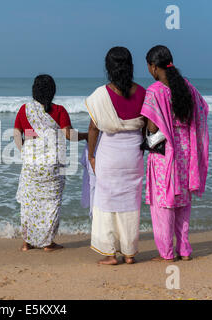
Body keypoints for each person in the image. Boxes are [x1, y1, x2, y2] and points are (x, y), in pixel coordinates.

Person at [141, 45, 209, 262]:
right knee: (182, 203)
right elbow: (203, 109)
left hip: (165, 153)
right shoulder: (187, 86)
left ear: (153, 66)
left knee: (164, 204)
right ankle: (185, 250)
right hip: (186, 151)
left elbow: (152, 128)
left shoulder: (155, 90)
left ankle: (167, 253)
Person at [86, 47, 146, 265]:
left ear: (108, 67)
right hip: (133, 155)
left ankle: (110, 255)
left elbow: (93, 129)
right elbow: (147, 128)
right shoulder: (142, 92)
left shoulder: (100, 95)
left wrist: (92, 155)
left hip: (109, 155)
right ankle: (129, 253)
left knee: (106, 202)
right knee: (131, 202)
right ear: (130, 65)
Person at [14, 74, 87, 252]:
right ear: (52, 91)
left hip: (31, 164)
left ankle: (27, 242)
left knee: (29, 203)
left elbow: (18, 133)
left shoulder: (25, 110)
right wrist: (88, 135)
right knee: (51, 203)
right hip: (52, 165)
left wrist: (25, 151)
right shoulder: (59, 110)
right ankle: (48, 243)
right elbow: (69, 135)